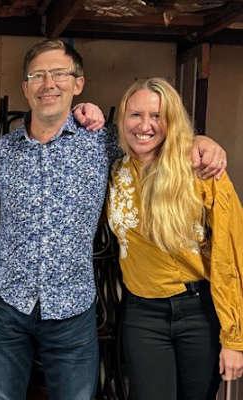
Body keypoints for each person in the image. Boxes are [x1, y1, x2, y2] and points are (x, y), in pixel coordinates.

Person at [0, 39, 227, 400]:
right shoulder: (3, 150)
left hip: (71, 306)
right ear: (25, 87)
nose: (48, 84)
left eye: (60, 74)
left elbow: (156, 139)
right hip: (6, 304)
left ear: (78, 83)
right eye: (38, 76)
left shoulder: (104, 141)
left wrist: (201, 141)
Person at [107, 77, 243, 400]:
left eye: (157, 116)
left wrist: (234, 337)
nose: (145, 126)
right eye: (135, 115)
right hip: (142, 313)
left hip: (198, 312)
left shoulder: (200, 169)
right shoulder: (115, 170)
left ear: (172, 121)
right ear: (122, 119)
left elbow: (230, 252)